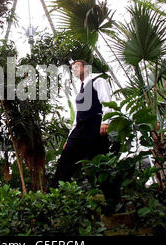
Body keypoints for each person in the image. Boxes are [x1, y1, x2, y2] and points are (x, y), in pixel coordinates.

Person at [51, 60, 120, 206]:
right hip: (80, 129)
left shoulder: (98, 80)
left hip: (95, 126)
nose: (74, 69)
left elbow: (106, 101)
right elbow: (77, 117)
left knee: (101, 164)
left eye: (76, 66)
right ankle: (53, 199)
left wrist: (106, 121)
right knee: (65, 161)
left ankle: (114, 202)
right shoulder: (80, 91)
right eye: (72, 68)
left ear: (86, 68)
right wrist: (69, 138)